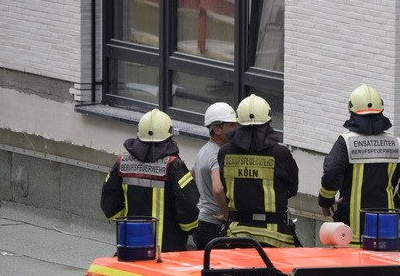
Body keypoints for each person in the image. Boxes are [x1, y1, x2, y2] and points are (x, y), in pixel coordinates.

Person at [318, 84, 400, 244]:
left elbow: (331, 172)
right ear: (381, 110)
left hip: (349, 234)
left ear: (351, 110)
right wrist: (399, 202)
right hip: (384, 237)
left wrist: (326, 200)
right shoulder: (394, 143)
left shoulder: (346, 142)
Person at [100, 108, 200, 253]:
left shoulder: (123, 163)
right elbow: (189, 204)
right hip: (167, 251)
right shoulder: (174, 166)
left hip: (131, 247)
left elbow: (108, 201)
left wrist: (128, 223)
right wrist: (188, 229)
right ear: (169, 135)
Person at [215, 94, 300, 247]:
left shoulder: (224, 153)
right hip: (276, 238)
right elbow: (292, 189)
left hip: (235, 236)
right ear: (268, 122)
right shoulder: (281, 154)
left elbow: (224, 187)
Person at [192, 102, 237, 250]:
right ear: (217, 129)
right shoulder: (218, 154)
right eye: (231, 126)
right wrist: (227, 215)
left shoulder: (203, 151)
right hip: (214, 226)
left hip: (202, 222)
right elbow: (218, 189)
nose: (235, 129)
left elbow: (189, 176)